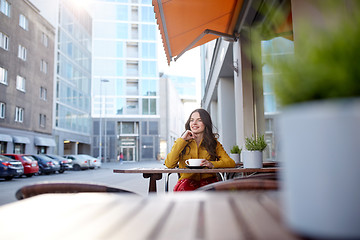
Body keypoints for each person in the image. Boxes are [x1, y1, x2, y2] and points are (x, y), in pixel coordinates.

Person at [165, 108, 236, 191]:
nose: (194, 123)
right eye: (192, 120)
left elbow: (231, 163)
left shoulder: (213, 143)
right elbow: (169, 164)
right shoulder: (181, 142)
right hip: (187, 182)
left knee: (211, 191)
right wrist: (182, 140)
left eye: (199, 120)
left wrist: (212, 164)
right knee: (187, 190)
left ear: (206, 123)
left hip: (209, 181)